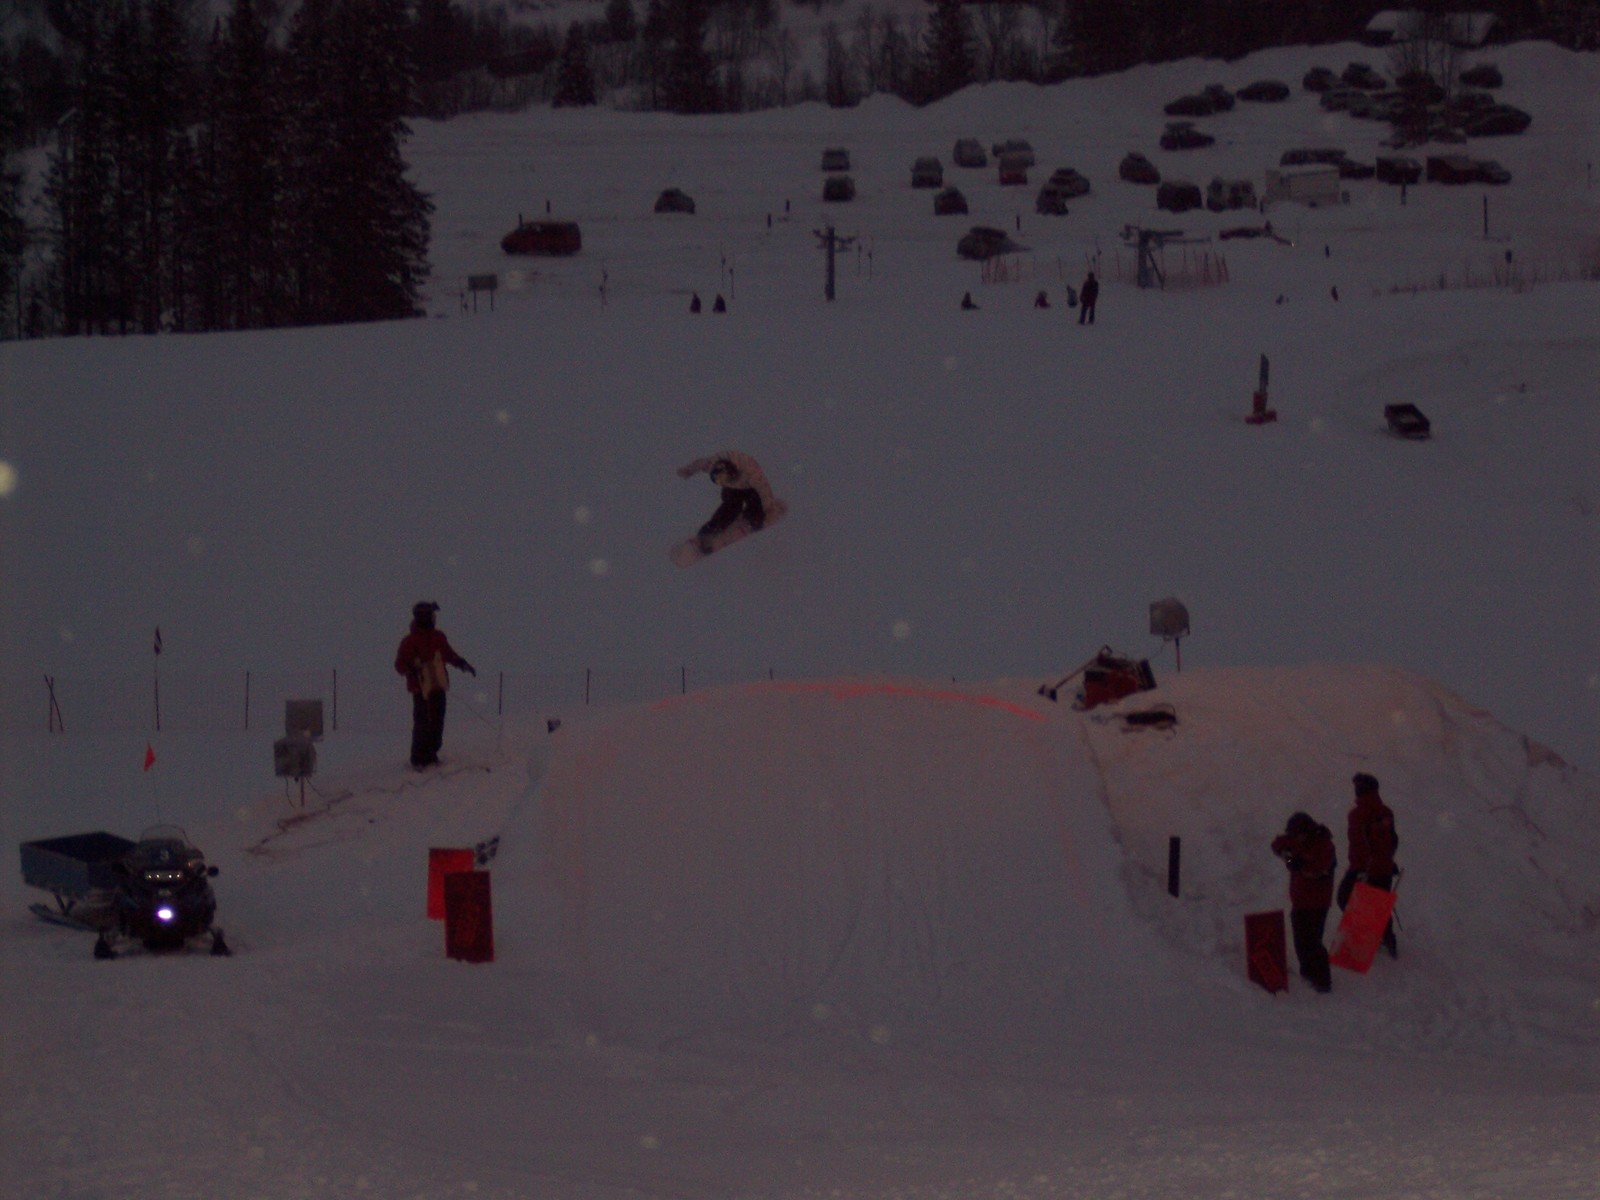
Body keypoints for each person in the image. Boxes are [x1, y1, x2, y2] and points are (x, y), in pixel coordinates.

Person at [394, 601, 475, 770]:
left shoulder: (438, 637)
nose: (434, 618)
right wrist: (411, 669)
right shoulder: (410, 641)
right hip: (420, 689)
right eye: (431, 615)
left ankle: (431, 754)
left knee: (437, 721)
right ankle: (418, 759)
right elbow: (399, 665)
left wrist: (462, 664)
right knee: (422, 722)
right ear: (424, 618)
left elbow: (449, 654)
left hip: (438, 686)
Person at [1271, 811, 1337, 993]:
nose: (1295, 839)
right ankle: (1308, 975)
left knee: (1312, 942)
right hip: (1300, 901)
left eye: (1297, 835)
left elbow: (1317, 870)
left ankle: (1322, 981)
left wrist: (1299, 863)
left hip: (1317, 902)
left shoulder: (1324, 845)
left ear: (1307, 831)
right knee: (1301, 942)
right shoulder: (1297, 841)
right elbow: (1278, 843)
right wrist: (1287, 855)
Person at [1339, 772, 1399, 957]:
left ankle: (1367, 933)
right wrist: (1387, 859)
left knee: (1344, 897)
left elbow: (1359, 844)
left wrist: (1362, 869)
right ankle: (1387, 938)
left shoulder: (1357, 814)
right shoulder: (1386, 812)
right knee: (1379, 902)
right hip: (1384, 867)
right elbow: (1393, 840)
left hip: (1364, 868)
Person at [677, 451, 775, 555]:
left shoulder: (750, 470)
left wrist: (769, 508)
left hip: (750, 487)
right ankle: (707, 535)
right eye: (718, 480)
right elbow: (700, 463)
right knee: (730, 506)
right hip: (733, 488)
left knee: (754, 501)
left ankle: (752, 518)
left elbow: (763, 488)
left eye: (722, 478)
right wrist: (688, 470)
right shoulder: (713, 464)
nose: (721, 481)